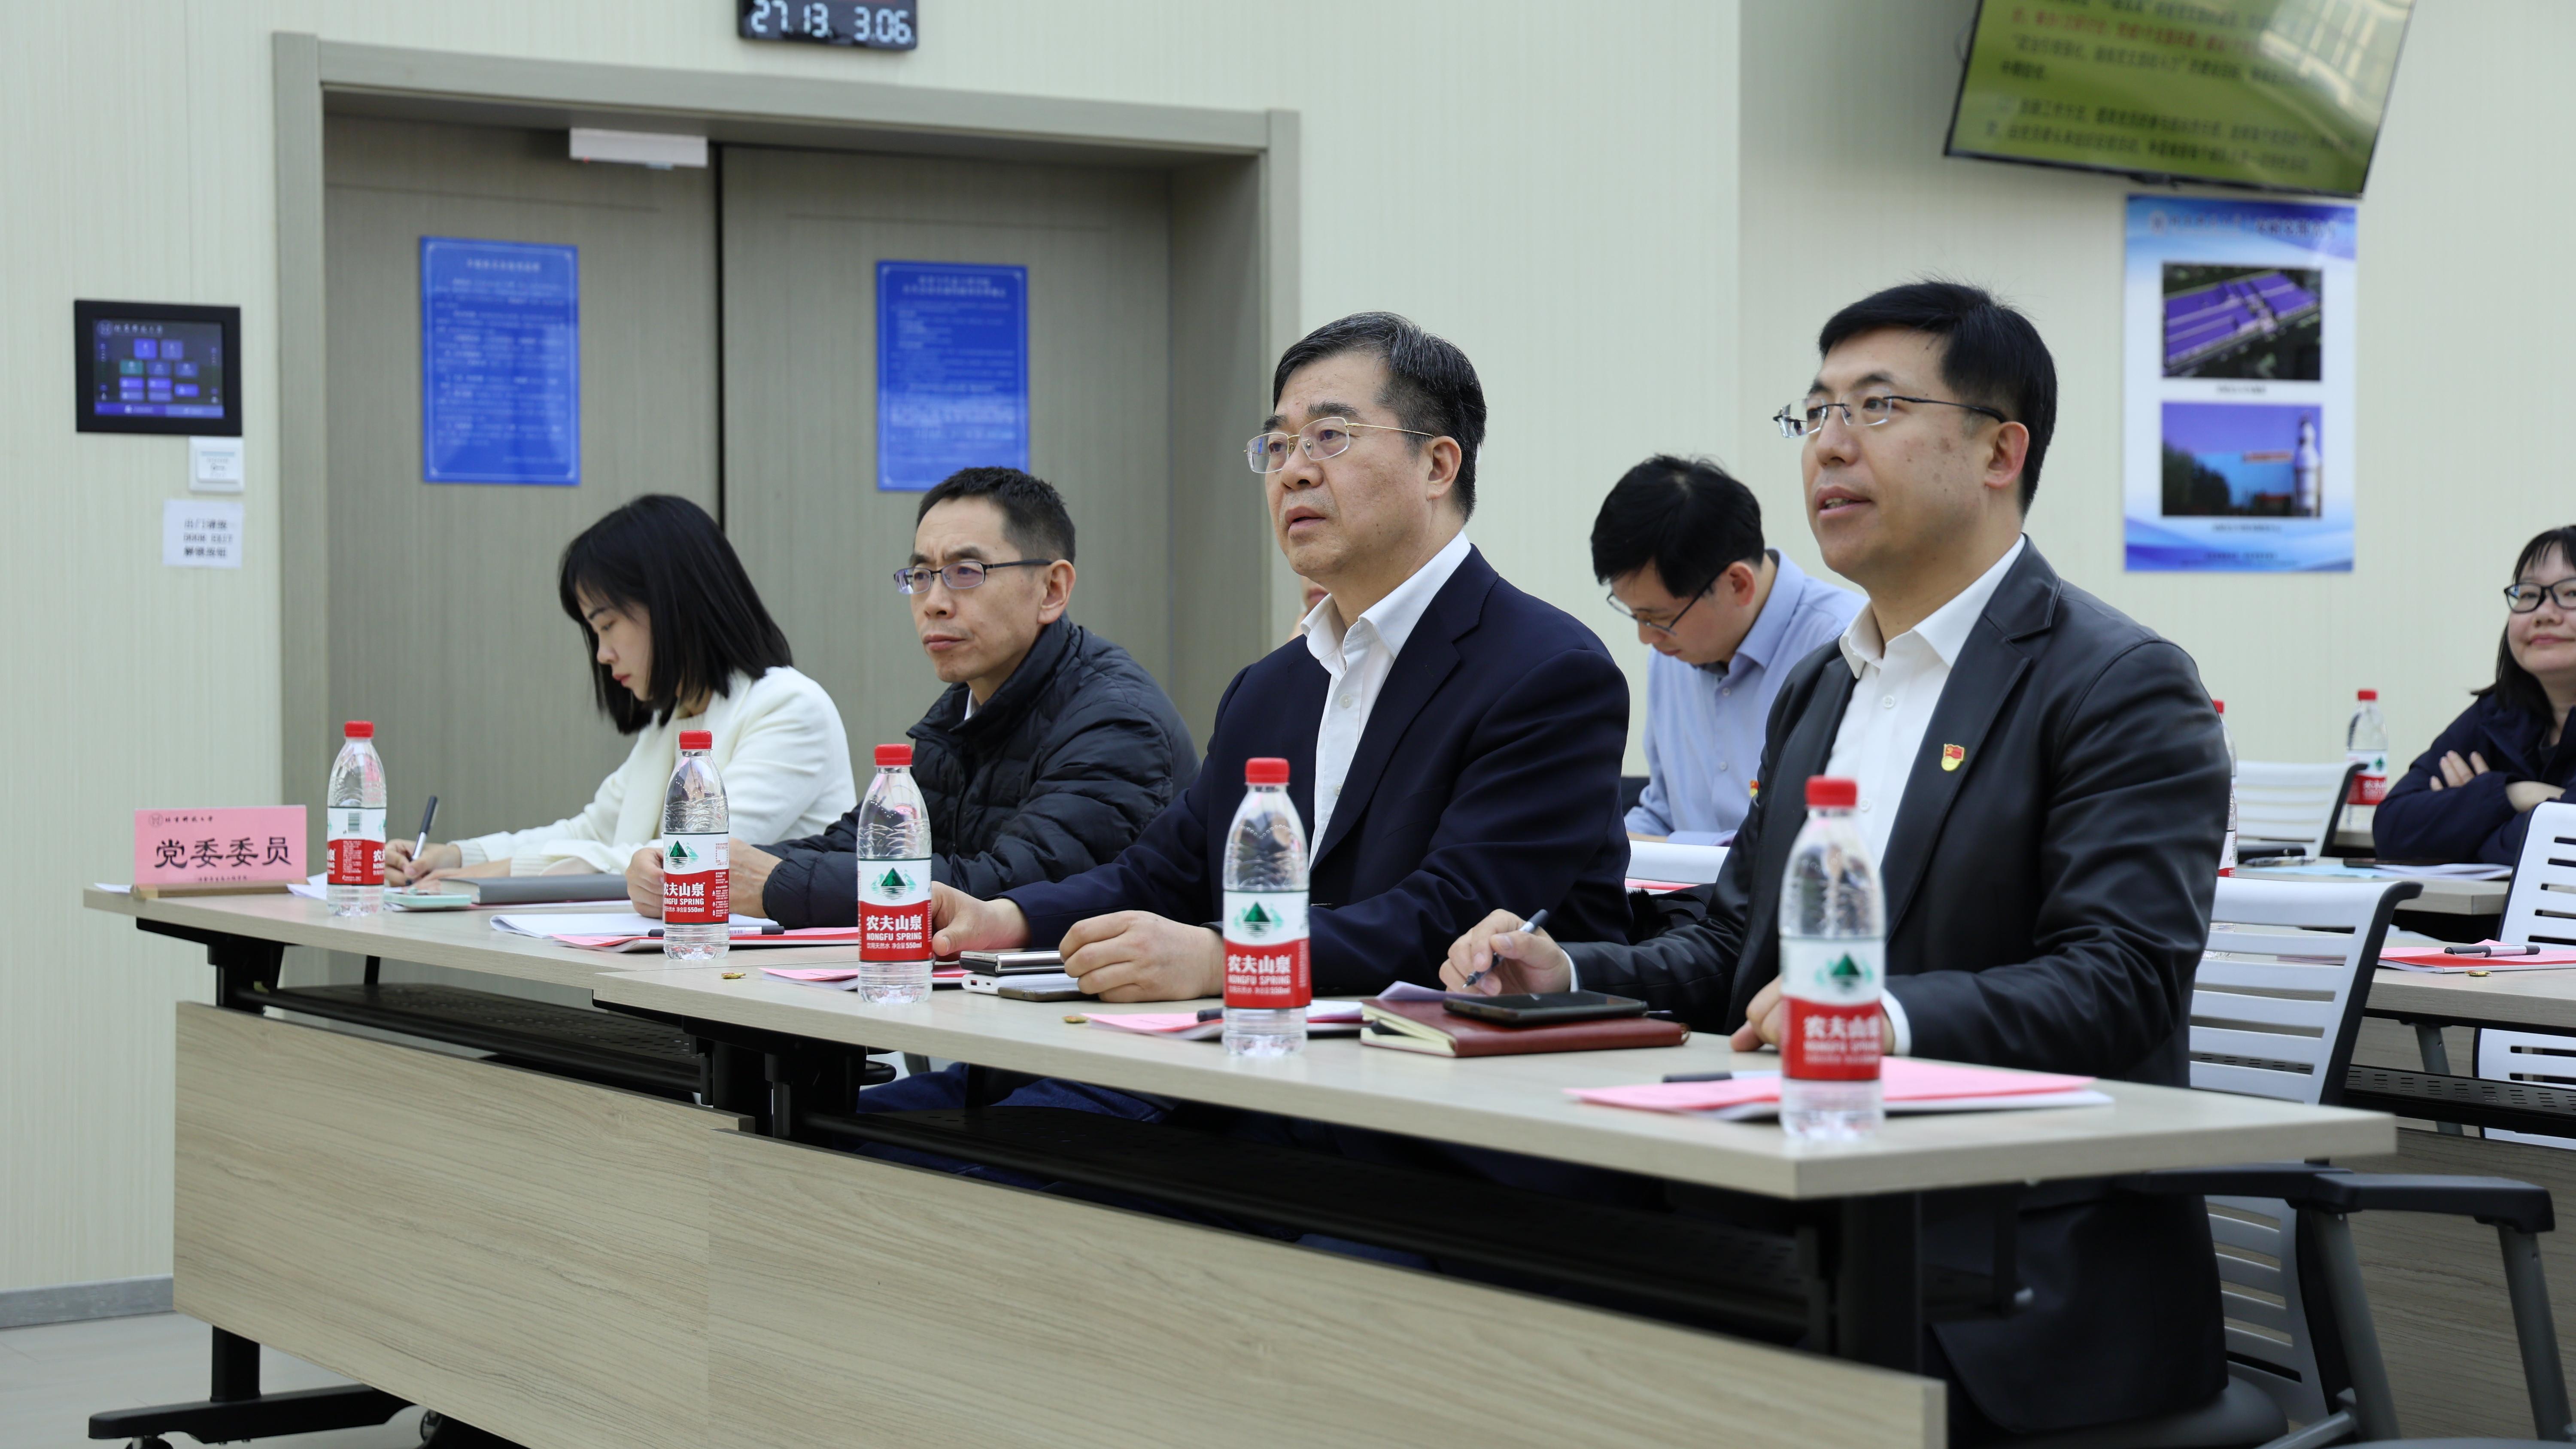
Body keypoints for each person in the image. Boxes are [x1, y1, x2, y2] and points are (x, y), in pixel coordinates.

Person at [1443, 283, 2230, 1443]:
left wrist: (1875, 1016)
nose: (1831, 444)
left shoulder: (2117, 682)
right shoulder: (1824, 684)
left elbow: (2122, 982)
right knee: (1485, 1290)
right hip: (1797, 1204)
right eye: (1814, 413)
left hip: (2002, 1254)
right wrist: (1565, 972)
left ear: (2001, 450)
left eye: (1878, 405)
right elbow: (1732, 948)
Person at [624, 468, 1196, 922]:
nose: (934, 602)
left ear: (1052, 588)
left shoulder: (1116, 723)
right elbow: (858, 845)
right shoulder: (965, 709)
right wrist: (702, 864)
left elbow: (1004, 891)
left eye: (967, 572)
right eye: (921, 576)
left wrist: (772, 884)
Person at [388, 494, 854, 885]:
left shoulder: (790, 708)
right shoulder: (671, 722)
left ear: (672, 605)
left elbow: (685, 853)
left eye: (607, 625)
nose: (602, 654)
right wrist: (459, 856)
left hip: (750, 963)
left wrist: (497, 874)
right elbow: (591, 832)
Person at [1595, 454, 1859, 844]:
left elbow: (1827, 838)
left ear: (1738, 584)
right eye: (1636, 615)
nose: (1646, 638)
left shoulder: (1846, 649)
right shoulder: (1671, 655)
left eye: (1657, 618)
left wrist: (1667, 850)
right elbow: (1663, 812)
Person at [2376, 524, 2576, 864]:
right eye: (2529, 595)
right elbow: (2393, 829)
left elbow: (2561, 847)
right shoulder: (2498, 715)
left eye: (2571, 593)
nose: (2544, 613)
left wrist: (2464, 823)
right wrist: (2513, 794)